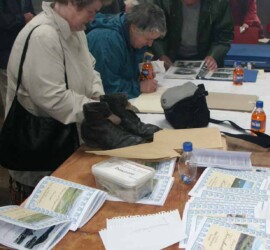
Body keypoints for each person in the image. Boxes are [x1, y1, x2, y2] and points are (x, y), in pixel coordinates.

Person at [5, 0, 111, 204]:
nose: (93, 18)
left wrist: (97, 95)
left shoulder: (75, 29)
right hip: (40, 150)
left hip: (66, 139)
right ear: (72, 3)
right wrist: (95, 110)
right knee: (42, 211)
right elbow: (51, 98)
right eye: (91, 12)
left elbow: (90, 70)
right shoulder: (43, 35)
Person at [86, 3, 166, 98]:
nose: (150, 44)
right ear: (134, 28)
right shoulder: (106, 40)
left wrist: (141, 74)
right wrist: (138, 87)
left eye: (153, 40)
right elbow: (107, 88)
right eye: (148, 39)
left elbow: (125, 73)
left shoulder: (133, 36)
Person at [150, 0, 233, 71]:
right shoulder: (163, 2)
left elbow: (224, 37)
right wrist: (161, 55)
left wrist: (213, 56)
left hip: (206, 58)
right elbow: (153, 33)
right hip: (171, 58)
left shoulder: (219, 3)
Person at [0, 0, 35, 114]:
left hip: (25, 48)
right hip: (6, 50)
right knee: (9, 91)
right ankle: (9, 124)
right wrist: (22, 19)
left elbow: (30, 13)